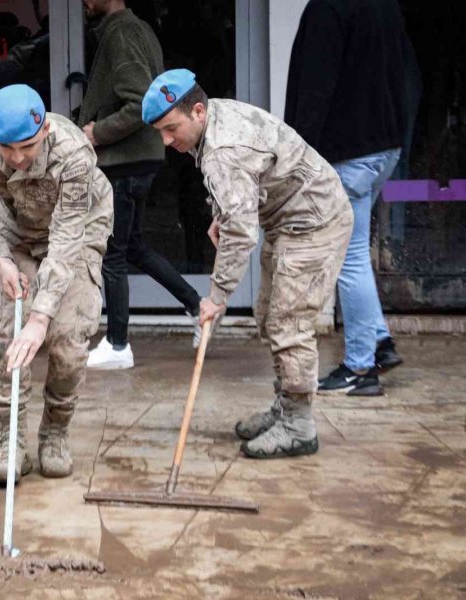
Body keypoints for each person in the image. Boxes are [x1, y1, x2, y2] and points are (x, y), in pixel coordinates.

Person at [141, 69, 353, 458]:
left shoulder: (223, 149)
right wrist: (223, 215)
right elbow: (244, 194)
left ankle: (299, 426)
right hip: (288, 220)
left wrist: (216, 296)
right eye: (160, 132)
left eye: (171, 129)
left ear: (198, 110)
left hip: (313, 223)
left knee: (289, 323)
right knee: (269, 314)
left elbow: (241, 234)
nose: (167, 141)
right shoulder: (214, 124)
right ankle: (285, 406)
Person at [0, 84, 113, 483]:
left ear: (43, 130)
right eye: (6, 148)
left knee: (68, 336)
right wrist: (0, 261)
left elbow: (66, 237)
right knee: (10, 334)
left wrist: (42, 316)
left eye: (26, 146)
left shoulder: (73, 154)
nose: (17, 158)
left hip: (78, 231)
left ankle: (55, 433)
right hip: (13, 234)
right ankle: (11, 442)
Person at [284, 0, 415, 396]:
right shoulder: (385, 6)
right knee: (355, 249)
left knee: (347, 256)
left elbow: (314, 88)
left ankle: (360, 367)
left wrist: (296, 156)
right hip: (384, 147)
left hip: (349, 153)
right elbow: (406, 74)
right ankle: (379, 341)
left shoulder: (328, 9)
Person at [78, 0, 203, 370]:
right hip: (138, 160)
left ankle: (118, 345)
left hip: (125, 162)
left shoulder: (122, 33)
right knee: (132, 247)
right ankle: (197, 305)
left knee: (113, 253)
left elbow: (138, 103)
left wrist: (97, 132)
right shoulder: (137, 29)